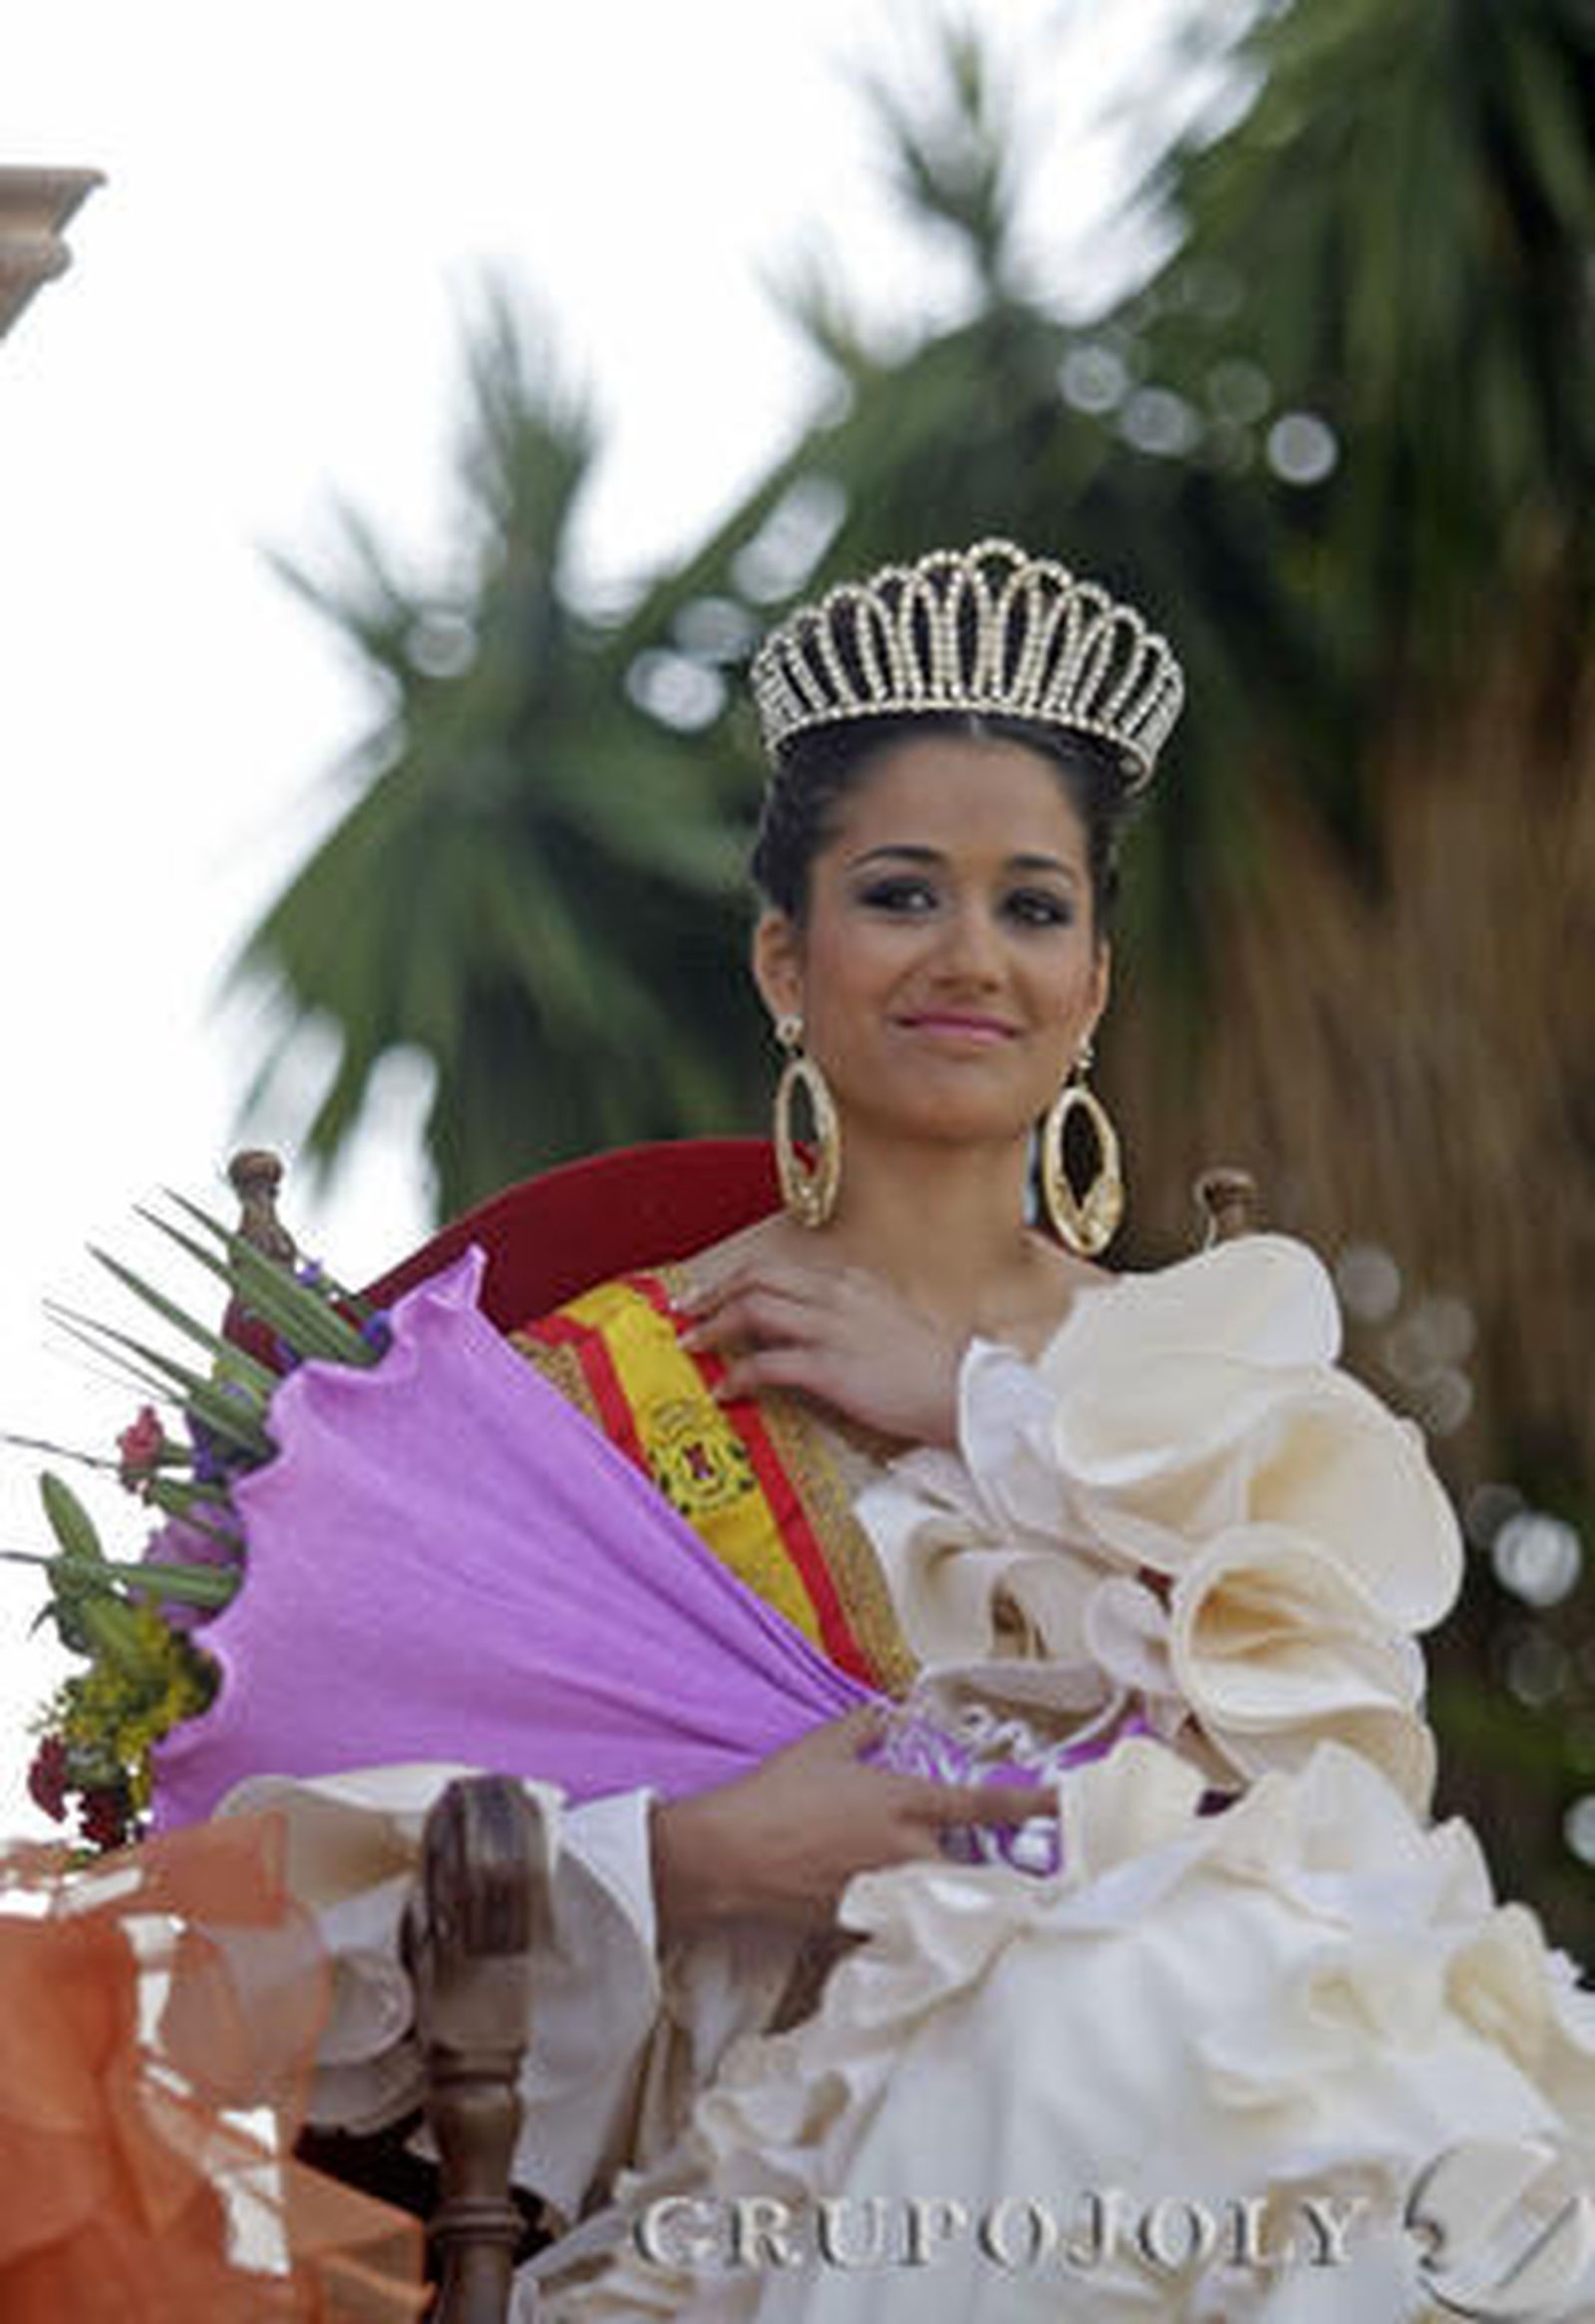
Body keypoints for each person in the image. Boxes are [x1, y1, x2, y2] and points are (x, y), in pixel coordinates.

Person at [180, 542, 1595, 2319]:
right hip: (811, 2159)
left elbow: (1341, 1812)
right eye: (904, 893)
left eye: (1033, 907)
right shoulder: (599, 1388)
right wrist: (700, 1855)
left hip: (1241, 2089)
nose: (973, 959)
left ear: (1092, 977)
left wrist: (993, 1420)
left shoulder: (1209, 1379)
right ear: (788, 953)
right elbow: (297, 1910)